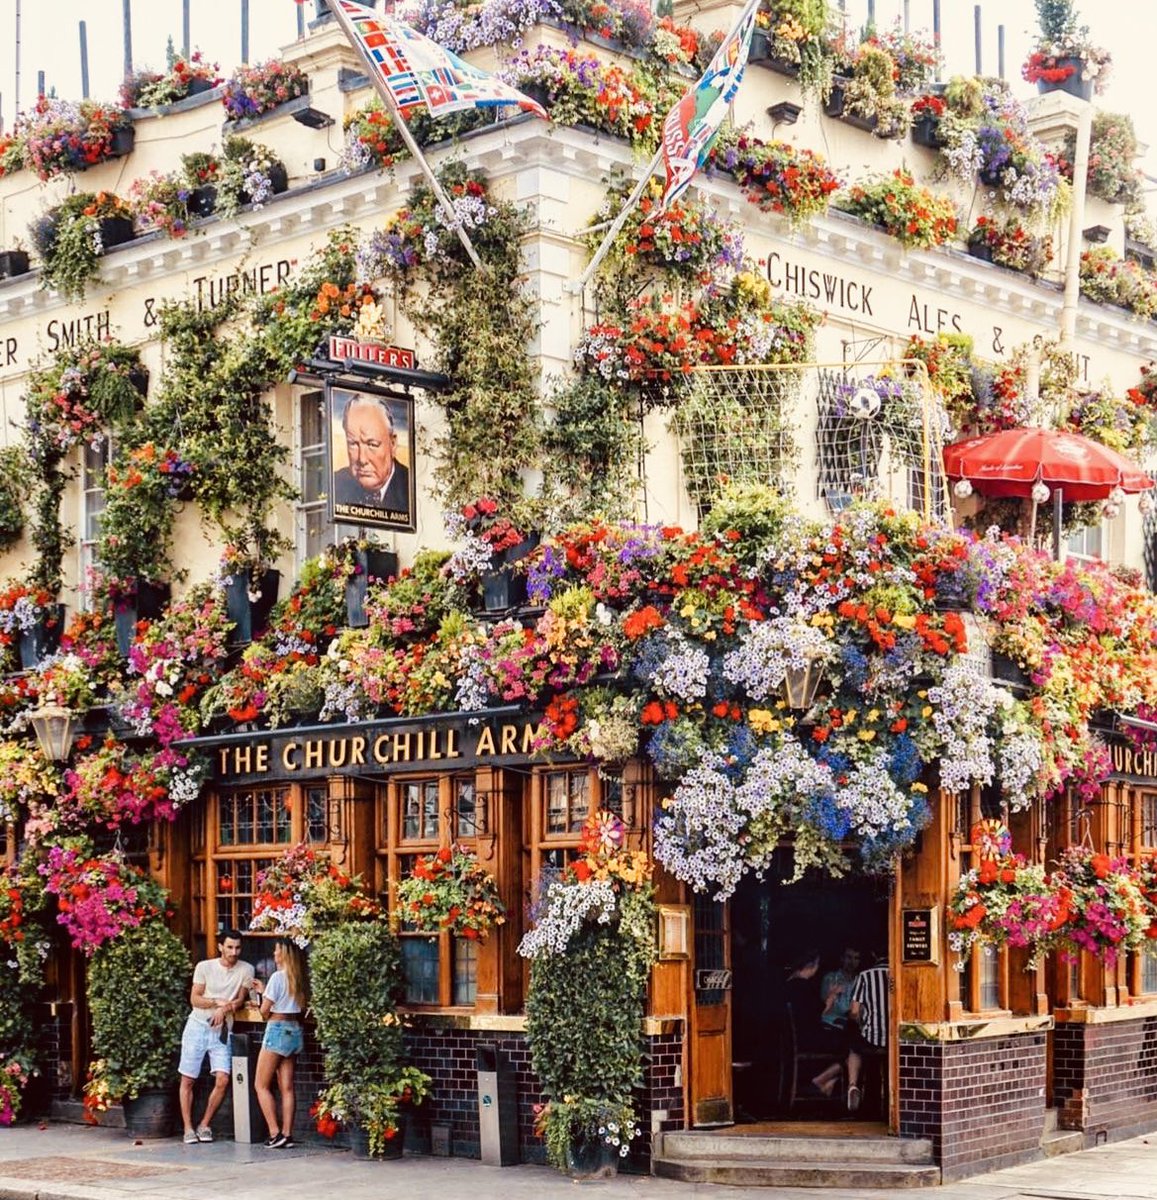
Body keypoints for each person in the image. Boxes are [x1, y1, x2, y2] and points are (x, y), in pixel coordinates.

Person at [179, 929, 255, 1145]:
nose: (234, 952)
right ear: (221, 946)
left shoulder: (246, 969)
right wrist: (217, 1003)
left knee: (223, 1079)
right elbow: (195, 999)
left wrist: (225, 1009)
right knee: (188, 1078)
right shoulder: (204, 967)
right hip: (197, 1026)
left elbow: (240, 999)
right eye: (229, 947)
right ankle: (187, 1128)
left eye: (238, 947)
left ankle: (205, 1124)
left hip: (222, 1030)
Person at [252, 939, 309, 1150]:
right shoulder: (299, 978)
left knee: (260, 1085)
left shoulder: (277, 977)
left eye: (276, 951)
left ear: (283, 954)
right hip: (294, 1030)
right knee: (287, 1087)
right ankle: (287, 1134)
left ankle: (274, 1133)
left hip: (276, 1030)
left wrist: (261, 996)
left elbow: (264, 1011)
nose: (274, 954)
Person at [332, 394, 410, 517]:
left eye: (372, 445)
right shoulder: (335, 485)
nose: (362, 459)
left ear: (393, 444)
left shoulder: (409, 487)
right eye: (353, 444)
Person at [809, 947, 860, 1098]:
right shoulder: (831, 978)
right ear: (842, 959)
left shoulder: (861, 979)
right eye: (849, 957)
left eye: (856, 958)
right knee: (855, 1048)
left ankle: (829, 1083)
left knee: (857, 1044)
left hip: (850, 1027)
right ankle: (821, 1080)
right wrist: (854, 1009)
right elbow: (831, 1006)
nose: (852, 962)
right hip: (830, 1027)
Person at [846, 952, 890, 1113]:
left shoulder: (865, 976)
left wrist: (862, 1022)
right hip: (895, 1040)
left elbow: (854, 1011)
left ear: (872, 954)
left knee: (854, 1047)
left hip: (871, 1037)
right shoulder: (900, 973)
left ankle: (853, 1086)